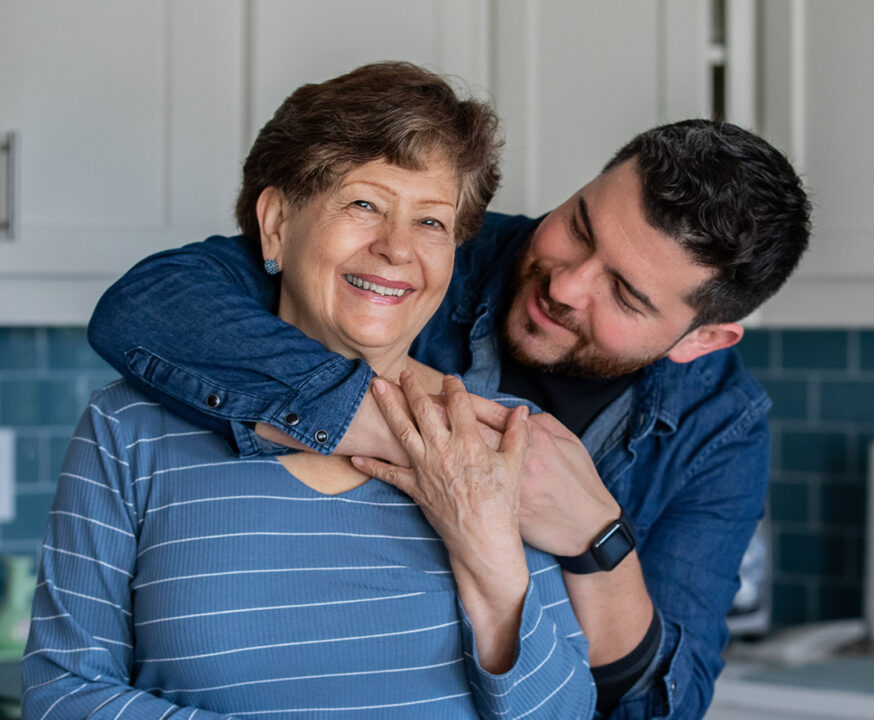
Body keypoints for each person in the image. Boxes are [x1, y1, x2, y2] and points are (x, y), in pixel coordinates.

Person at [86, 111, 811, 719]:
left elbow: (657, 705)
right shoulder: (430, 246)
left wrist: (595, 537)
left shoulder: (721, 424)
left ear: (702, 339)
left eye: (624, 294)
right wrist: (417, 435)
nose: (565, 283)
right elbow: (150, 307)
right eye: (581, 227)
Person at [22, 62, 597, 720]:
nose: (396, 249)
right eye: (363, 205)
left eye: (432, 223)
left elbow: (566, 713)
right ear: (275, 224)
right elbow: (61, 696)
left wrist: (490, 554)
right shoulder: (130, 430)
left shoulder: (498, 436)